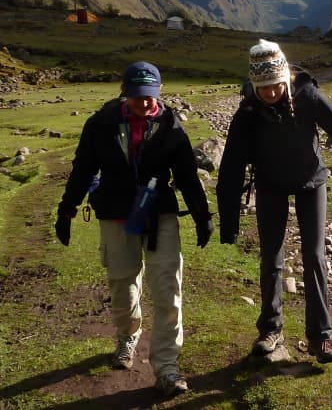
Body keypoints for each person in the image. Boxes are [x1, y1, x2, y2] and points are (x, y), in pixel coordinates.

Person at [217, 40, 332, 363]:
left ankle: (321, 337)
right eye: (263, 87)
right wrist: (229, 224)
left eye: (274, 85)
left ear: (285, 79)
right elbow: (230, 169)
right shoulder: (248, 112)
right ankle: (271, 329)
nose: (270, 93)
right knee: (271, 258)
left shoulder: (308, 97)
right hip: (270, 186)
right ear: (255, 86)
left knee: (314, 257)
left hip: (311, 182)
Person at [55, 61, 215, 398]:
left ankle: (167, 368)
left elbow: (186, 175)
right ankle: (127, 337)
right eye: (138, 97)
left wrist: (202, 216)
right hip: (115, 214)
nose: (145, 104)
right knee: (123, 285)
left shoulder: (171, 126)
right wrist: (66, 209)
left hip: (160, 217)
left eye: (150, 97)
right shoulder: (101, 124)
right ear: (125, 93)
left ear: (159, 93)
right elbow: (83, 169)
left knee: (167, 290)